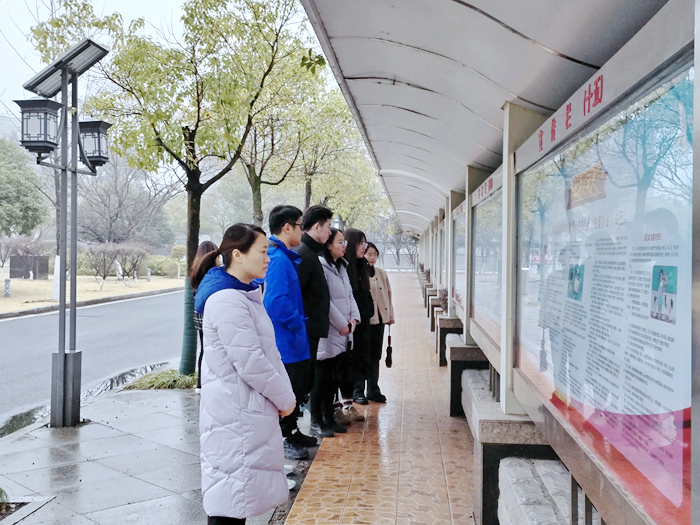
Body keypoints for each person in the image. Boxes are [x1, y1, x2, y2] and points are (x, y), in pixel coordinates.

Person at [192, 224, 296, 525]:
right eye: (262, 251)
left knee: (235, 499)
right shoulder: (227, 300)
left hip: (241, 410)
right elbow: (252, 363)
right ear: (237, 255)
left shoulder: (242, 294)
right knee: (229, 504)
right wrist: (286, 399)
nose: (267, 258)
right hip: (234, 414)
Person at [263, 205, 317, 460]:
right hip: (285, 341)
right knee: (288, 388)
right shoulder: (278, 259)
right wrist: (297, 322)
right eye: (299, 225)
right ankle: (284, 438)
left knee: (296, 387)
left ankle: (292, 431)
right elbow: (275, 302)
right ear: (287, 228)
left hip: (293, 338)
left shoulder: (283, 257)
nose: (302, 231)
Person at [311, 228, 360, 437]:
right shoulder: (320, 266)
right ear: (328, 244)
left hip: (344, 331)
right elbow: (325, 302)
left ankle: (329, 418)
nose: (344, 245)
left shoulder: (341, 266)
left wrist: (354, 318)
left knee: (332, 379)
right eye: (340, 242)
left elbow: (349, 296)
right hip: (329, 332)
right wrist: (342, 324)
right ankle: (317, 420)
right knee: (321, 380)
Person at [293, 205, 334, 377]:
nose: (330, 232)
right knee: (304, 379)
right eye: (328, 227)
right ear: (317, 226)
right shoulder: (303, 253)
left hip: (311, 329)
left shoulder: (310, 252)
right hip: (306, 330)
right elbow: (296, 295)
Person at [339, 228, 374, 415]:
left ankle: (353, 398)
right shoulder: (344, 267)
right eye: (361, 243)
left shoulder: (361, 266)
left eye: (365, 243)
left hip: (363, 322)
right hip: (350, 325)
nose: (364, 247)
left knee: (361, 359)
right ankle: (349, 399)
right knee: (348, 362)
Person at [364, 242, 394, 403]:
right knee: (364, 355)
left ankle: (373, 388)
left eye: (375, 254)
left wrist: (390, 316)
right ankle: (358, 390)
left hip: (380, 319)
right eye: (369, 254)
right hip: (365, 321)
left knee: (376, 356)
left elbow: (388, 295)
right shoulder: (358, 272)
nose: (372, 257)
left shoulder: (381, 273)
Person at [193, 240, 218, 391]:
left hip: (198, 313)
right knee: (212, 348)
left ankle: (200, 384)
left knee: (203, 348)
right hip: (208, 312)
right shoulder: (214, 272)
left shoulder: (195, 270)